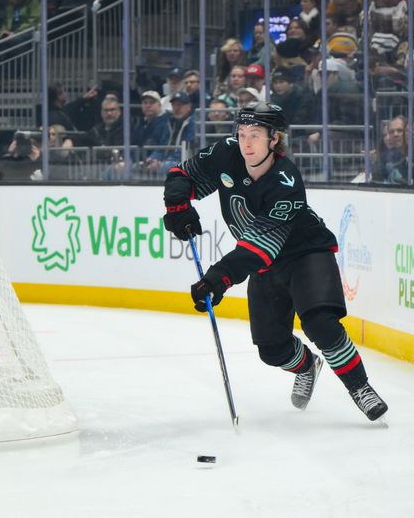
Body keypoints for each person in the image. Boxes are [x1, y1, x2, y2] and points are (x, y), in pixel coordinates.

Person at [161, 102, 388, 422]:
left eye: (255, 135)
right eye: (241, 134)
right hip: (266, 269)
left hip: (306, 254)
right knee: (272, 350)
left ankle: (359, 387)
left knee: (320, 324)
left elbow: (259, 247)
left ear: (274, 139)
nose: (246, 143)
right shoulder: (227, 153)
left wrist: (219, 277)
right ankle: (308, 365)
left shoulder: (286, 181)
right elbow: (183, 174)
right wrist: (177, 204)